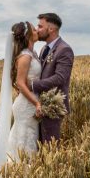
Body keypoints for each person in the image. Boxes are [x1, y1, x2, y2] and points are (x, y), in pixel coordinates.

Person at [0, 21, 42, 172]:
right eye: (34, 28)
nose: (37, 30)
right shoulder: (25, 56)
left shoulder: (32, 53)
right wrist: (36, 103)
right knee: (23, 141)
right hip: (27, 106)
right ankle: (19, 175)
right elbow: (20, 83)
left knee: (28, 140)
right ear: (28, 35)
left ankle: (23, 176)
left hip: (30, 103)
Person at [31, 12, 74, 145]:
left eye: (40, 26)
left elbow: (59, 78)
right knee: (39, 145)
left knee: (50, 146)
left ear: (51, 29)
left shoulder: (64, 49)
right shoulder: (44, 48)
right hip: (39, 104)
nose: (37, 30)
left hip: (53, 105)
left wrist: (32, 86)